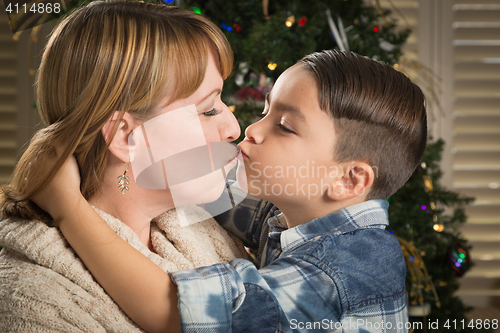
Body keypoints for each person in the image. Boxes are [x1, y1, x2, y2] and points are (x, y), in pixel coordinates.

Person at [34, 49, 427, 332]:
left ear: (349, 181)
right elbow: (205, 188)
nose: (249, 130)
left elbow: (173, 311)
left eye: (285, 126)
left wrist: (68, 204)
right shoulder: (294, 215)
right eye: (264, 111)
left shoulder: (349, 269)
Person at [0, 1, 254, 332]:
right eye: (208, 111)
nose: (234, 129)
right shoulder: (34, 305)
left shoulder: (208, 228)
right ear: (125, 137)